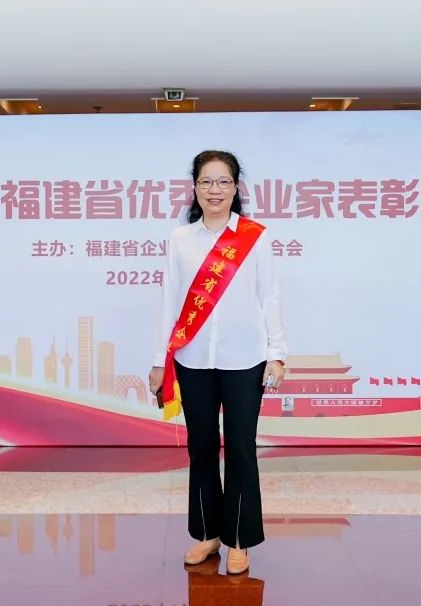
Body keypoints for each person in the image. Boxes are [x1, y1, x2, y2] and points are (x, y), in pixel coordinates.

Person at [148, 150, 287, 575]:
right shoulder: (180, 239)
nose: (214, 190)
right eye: (206, 181)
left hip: (245, 359)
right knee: (202, 447)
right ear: (194, 187)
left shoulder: (255, 237)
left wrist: (277, 353)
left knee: (241, 447)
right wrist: (159, 360)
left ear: (235, 187)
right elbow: (170, 302)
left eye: (223, 181)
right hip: (193, 359)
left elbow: (269, 296)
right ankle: (208, 535)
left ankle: (239, 540)